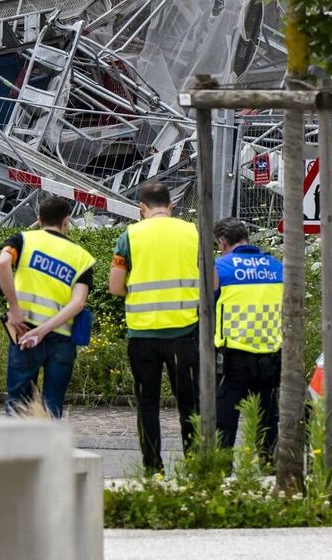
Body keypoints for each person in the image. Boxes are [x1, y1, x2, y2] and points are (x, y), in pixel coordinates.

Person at [108, 182, 208, 474]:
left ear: (142, 208)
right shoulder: (193, 232)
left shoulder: (129, 236)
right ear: (171, 206)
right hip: (184, 332)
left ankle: (153, 468)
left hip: (142, 336)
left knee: (147, 404)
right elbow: (211, 281)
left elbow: (115, 286)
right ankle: (194, 465)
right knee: (190, 404)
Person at [0, 196, 95, 418]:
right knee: (53, 405)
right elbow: (79, 302)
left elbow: (3, 263)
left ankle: (16, 442)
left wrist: (14, 309)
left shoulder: (22, 240)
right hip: (61, 338)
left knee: (18, 403)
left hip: (24, 331)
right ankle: (48, 442)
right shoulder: (82, 257)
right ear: (66, 221)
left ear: (39, 219)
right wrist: (43, 331)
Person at [211, 217, 282, 458]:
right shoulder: (275, 266)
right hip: (270, 358)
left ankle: (221, 471)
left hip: (233, 360)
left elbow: (206, 308)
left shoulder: (219, 268)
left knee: (224, 426)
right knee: (268, 425)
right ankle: (268, 468)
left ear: (222, 242)